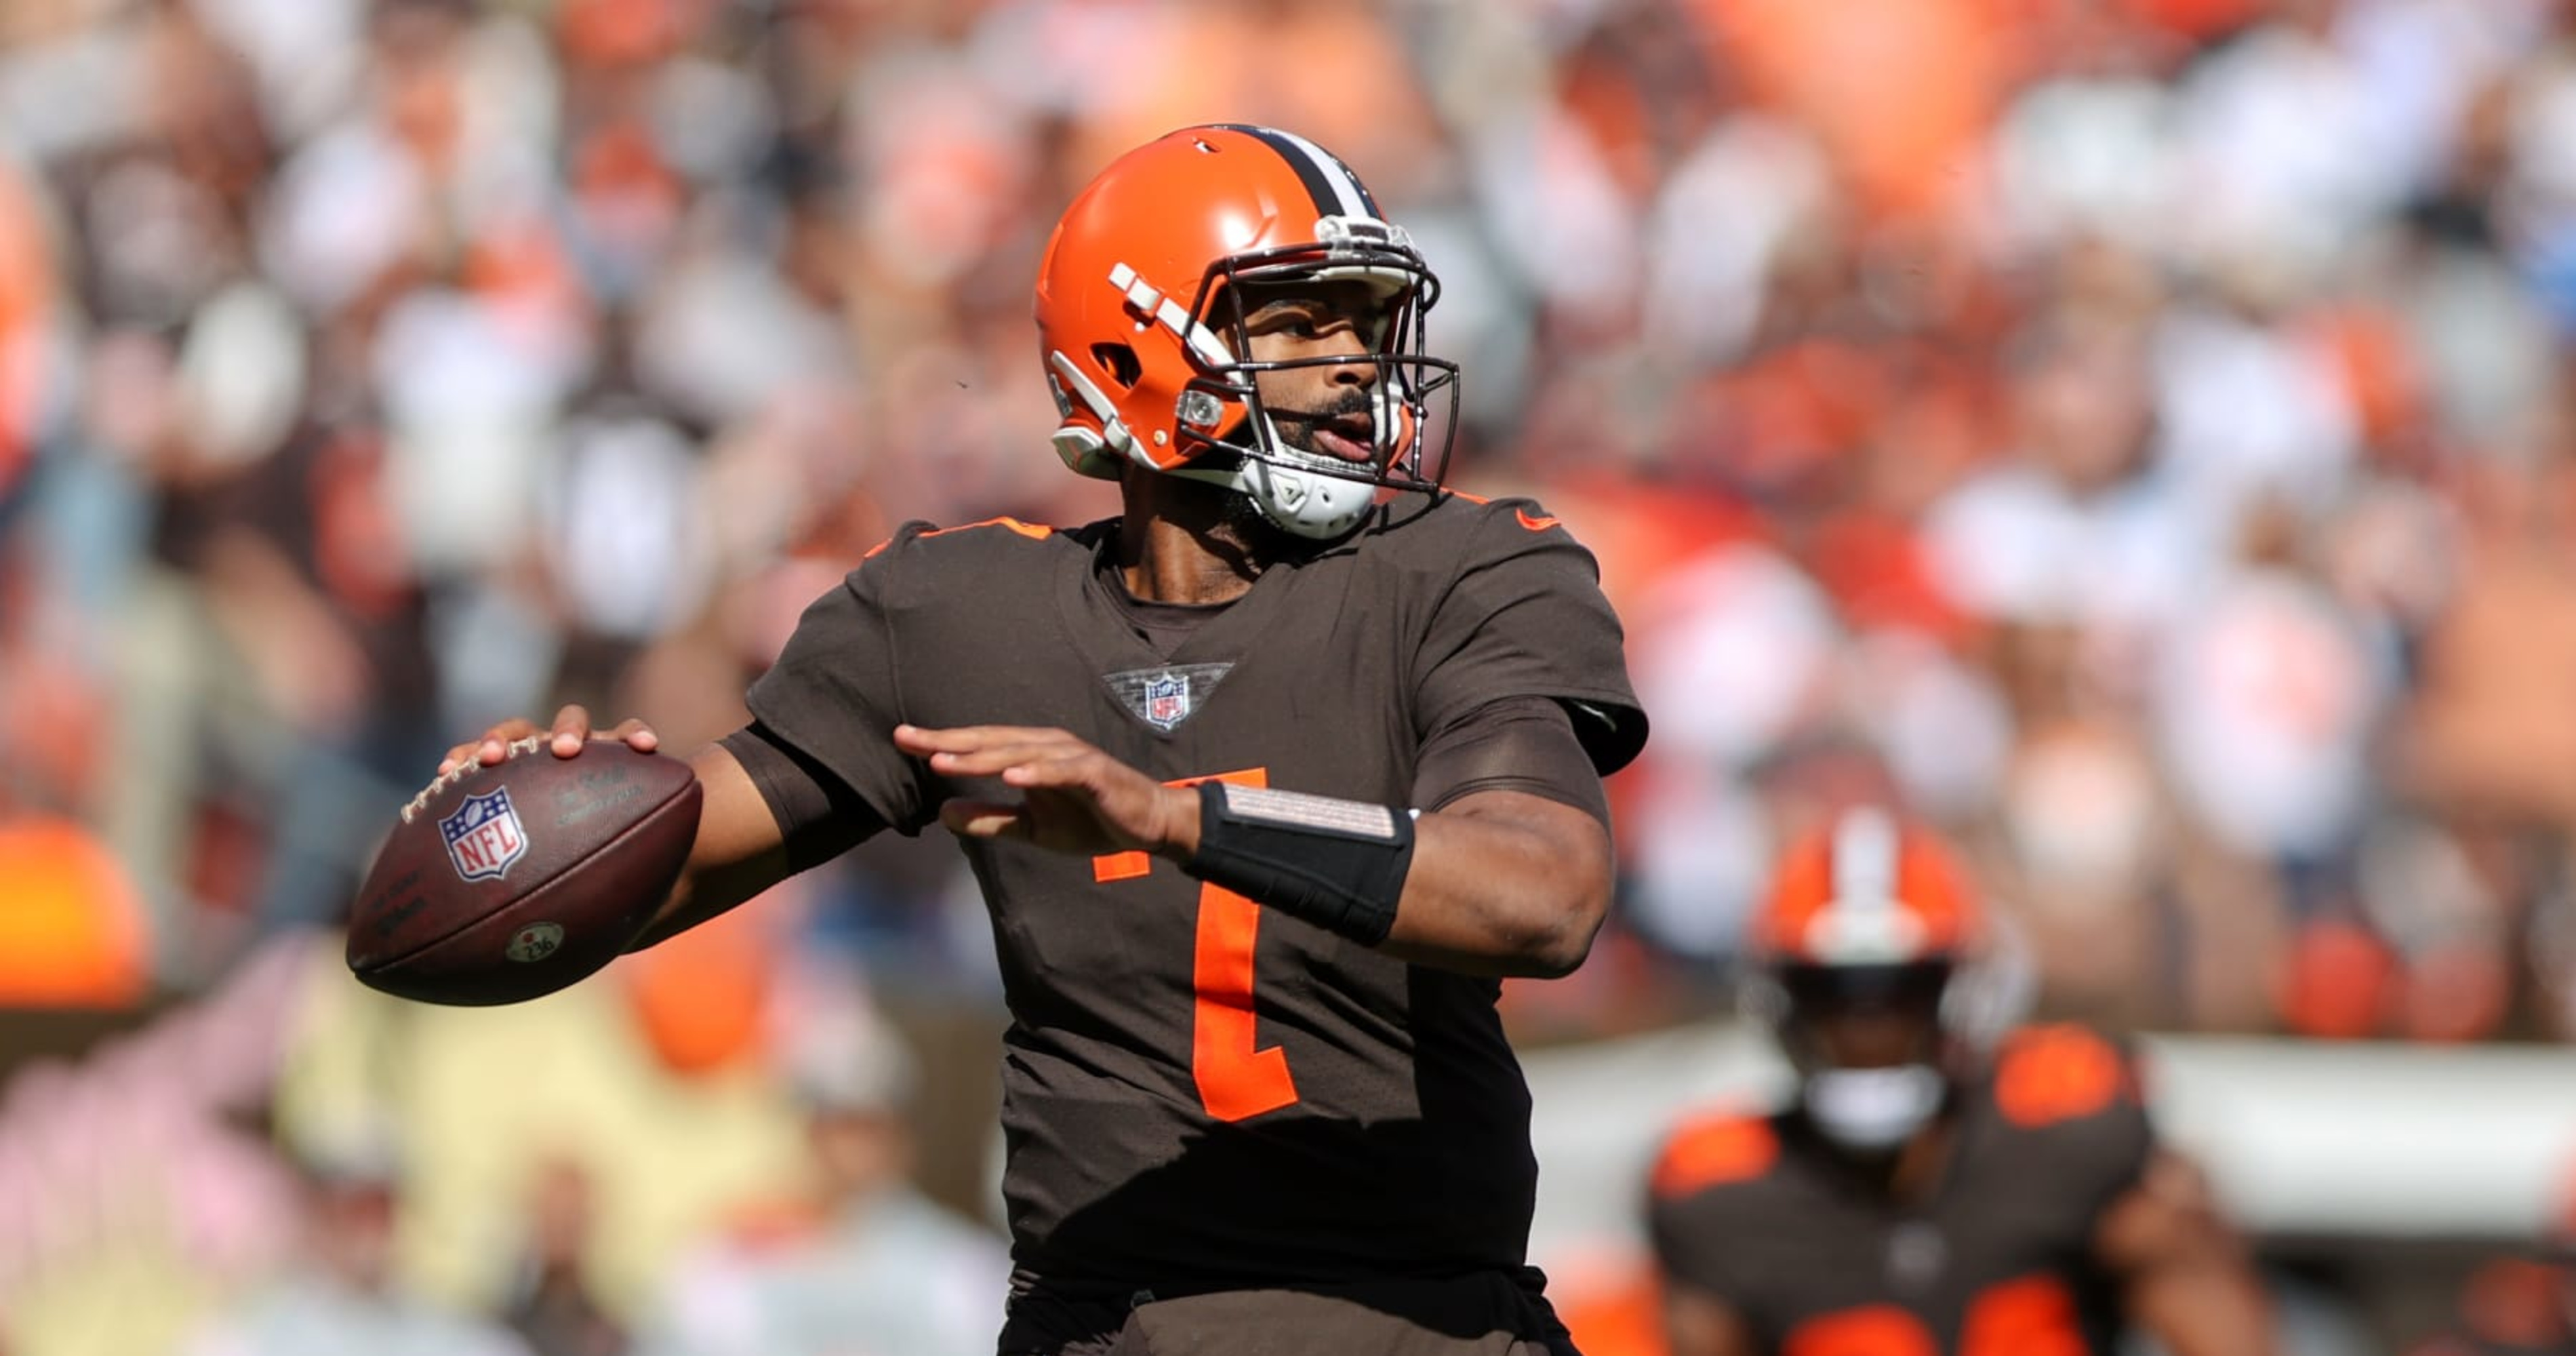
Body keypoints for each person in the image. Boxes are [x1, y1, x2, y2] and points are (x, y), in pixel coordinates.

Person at [435, 123, 1649, 1355]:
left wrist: (1177, 817)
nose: (1354, 367)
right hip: (1109, 1327)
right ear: (1135, 350)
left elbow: (1543, 896)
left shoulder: (1463, 572)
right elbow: (658, 867)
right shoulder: (954, 616)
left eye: (1367, 324)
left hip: (1420, 1323)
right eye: (1297, 324)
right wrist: (518, 830)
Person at [1643, 807, 2272, 1356]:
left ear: (1964, 992)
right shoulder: (1720, 1188)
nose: (1869, 1027)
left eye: (1904, 991)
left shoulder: (2070, 1123)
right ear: (1779, 1001)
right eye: (1833, 993)